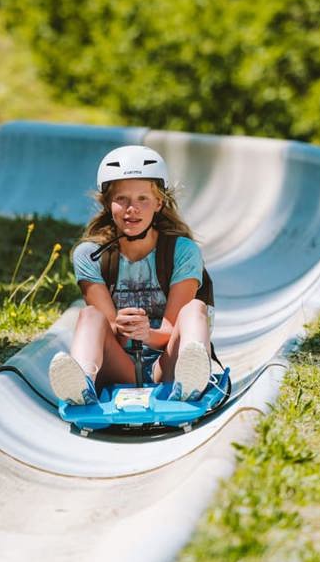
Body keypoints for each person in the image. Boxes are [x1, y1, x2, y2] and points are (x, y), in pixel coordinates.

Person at [49, 145, 212, 405]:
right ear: (107, 203)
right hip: (119, 365)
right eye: (122, 199)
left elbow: (170, 331)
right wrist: (123, 329)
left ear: (159, 203)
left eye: (142, 199)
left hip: (166, 363)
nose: (131, 209)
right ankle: (81, 384)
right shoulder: (90, 255)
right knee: (90, 315)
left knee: (194, 308)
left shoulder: (182, 251)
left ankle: (191, 382)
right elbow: (108, 329)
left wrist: (146, 333)